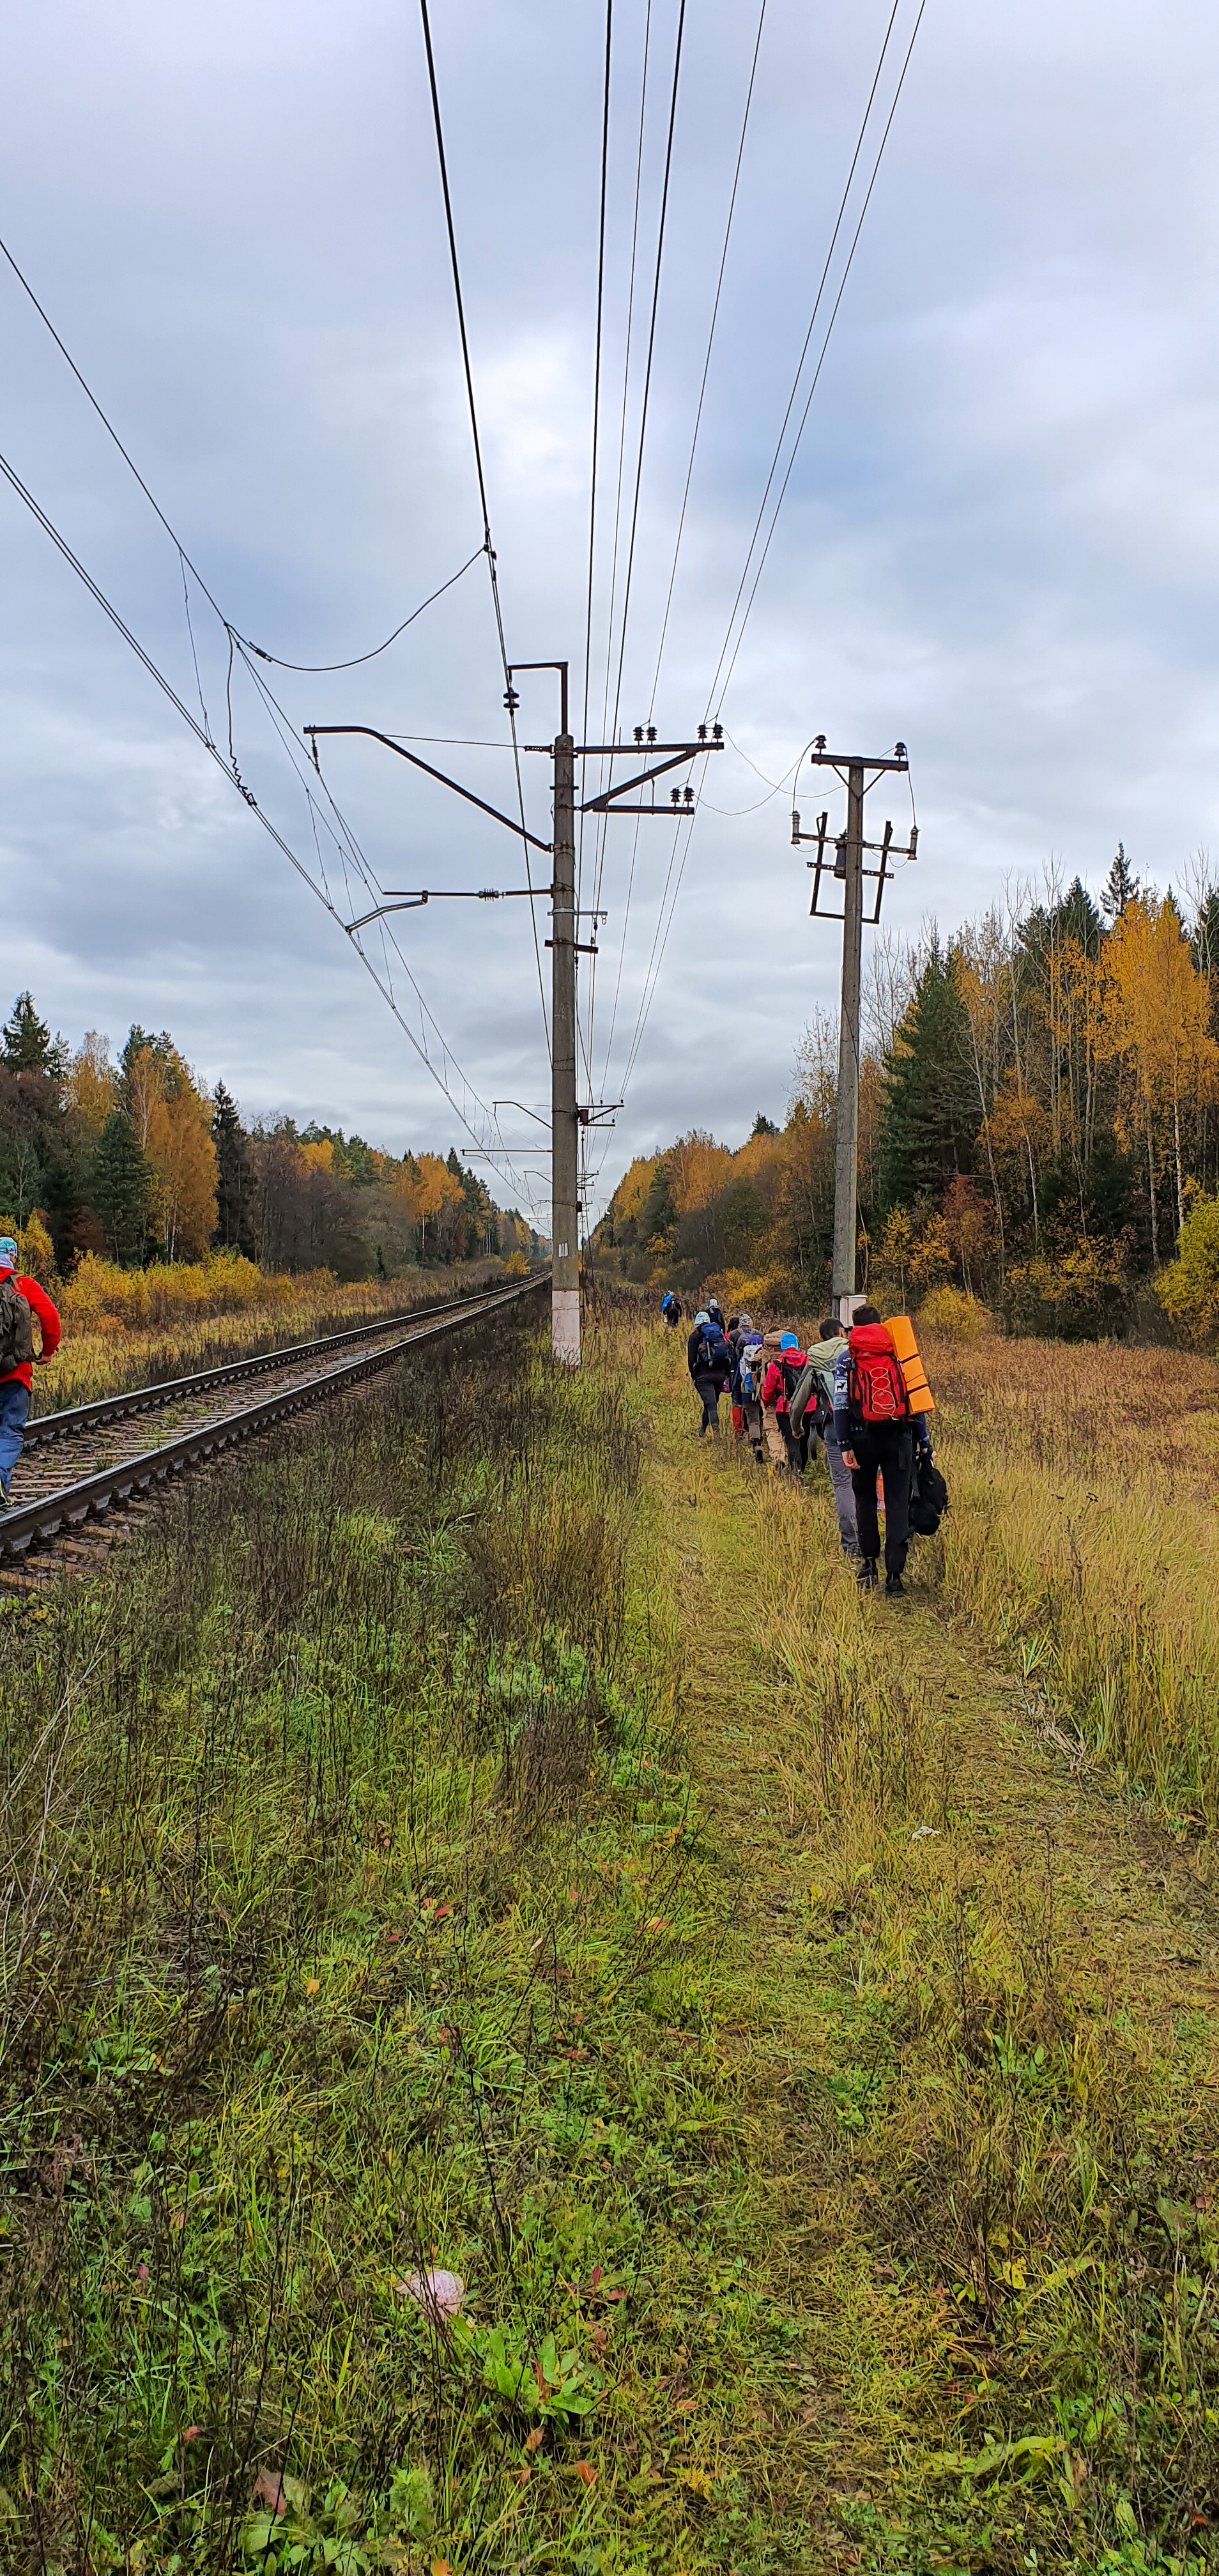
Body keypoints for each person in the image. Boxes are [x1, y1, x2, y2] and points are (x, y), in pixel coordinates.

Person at [832, 1303, 930, 1597]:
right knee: (898, 1503)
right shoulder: (900, 1352)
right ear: (882, 1326)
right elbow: (916, 1403)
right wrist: (924, 1442)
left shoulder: (846, 1358)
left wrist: (844, 1444)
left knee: (864, 1500)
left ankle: (869, 1564)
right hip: (899, 1438)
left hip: (862, 1438)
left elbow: (839, 1405)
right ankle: (895, 1578)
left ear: (854, 1328)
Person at [789, 1317, 859, 1559]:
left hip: (834, 1427)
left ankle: (851, 1544)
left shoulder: (816, 1357)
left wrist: (797, 1427)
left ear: (821, 1338)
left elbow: (799, 1400)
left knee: (842, 1484)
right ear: (842, 1332)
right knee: (868, 1481)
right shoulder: (855, 1350)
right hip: (867, 1425)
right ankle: (875, 1538)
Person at [0, 1236, 61, 1510]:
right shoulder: (23, 1284)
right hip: (15, 1373)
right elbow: (50, 1316)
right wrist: (48, 1350)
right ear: (12, 1256)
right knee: (10, 1430)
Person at [758, 1330, 806, 1470]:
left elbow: (768, 1388)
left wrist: (766, 1402)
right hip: (803, 1405)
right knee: (798, 1436)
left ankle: (779, 1459)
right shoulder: (806, 1360)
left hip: (781, 1404)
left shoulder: (774, 1363)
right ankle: (800, 1468)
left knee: (773, 1430)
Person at [687, 1308, 733, 1438]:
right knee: (710, 1403)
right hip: (720, 1374)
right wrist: (726, 1374)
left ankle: (716, 1432)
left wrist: (694, 1375)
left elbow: (691, 1359)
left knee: (711, 1404)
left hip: (703, 1375)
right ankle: (702, 1430)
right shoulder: (718, 1333)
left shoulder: (695, 1336)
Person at [732, 1319, 765, 1459]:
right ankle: (762, 1439)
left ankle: (756, 1443)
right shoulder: (764, 1356)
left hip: (747, 1391)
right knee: (762, 1418)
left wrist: (737, 1397)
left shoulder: (744, 1359)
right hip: (763, 1392)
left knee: (753, 1420)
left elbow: (738, 1380)